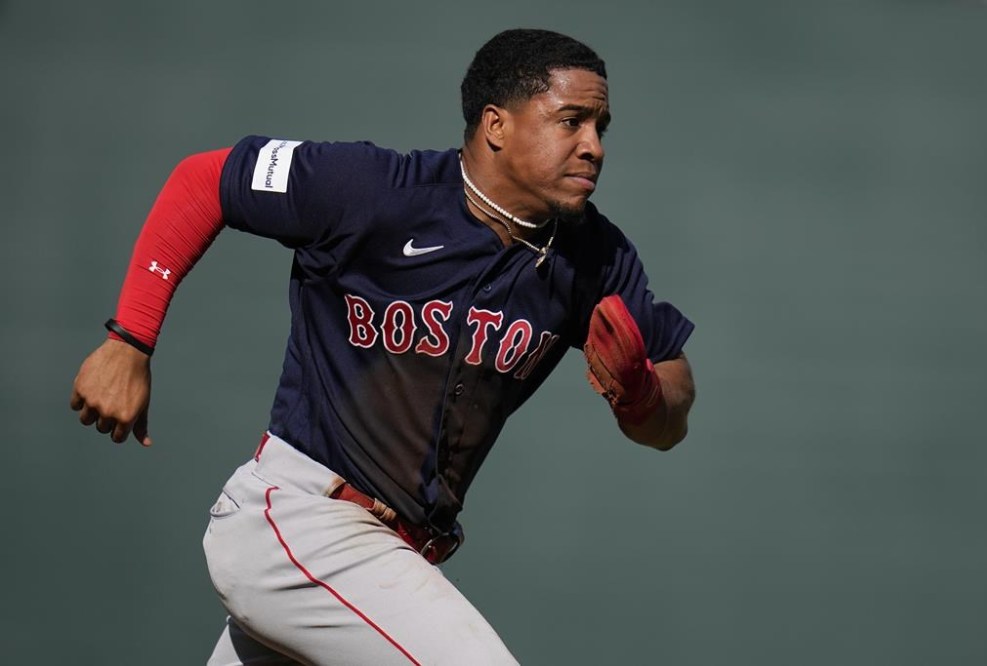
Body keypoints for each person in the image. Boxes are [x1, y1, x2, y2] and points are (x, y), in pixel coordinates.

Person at [70, 28, 696, 665]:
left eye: (600, 127)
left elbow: (671, 404)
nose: (593, 146)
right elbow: (206, 179)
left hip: (387, 558)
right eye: (571, 120)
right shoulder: (373, 190)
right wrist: (130, 339)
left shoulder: (596, 258)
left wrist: (644, 394)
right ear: (496, 125)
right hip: (301, 520)